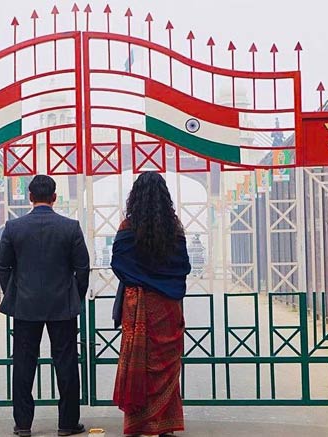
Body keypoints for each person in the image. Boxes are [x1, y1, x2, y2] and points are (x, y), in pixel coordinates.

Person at [0, 175, 90, 437]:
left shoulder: (13, 228)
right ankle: (67, 423)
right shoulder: (70, 227)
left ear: (30, 197)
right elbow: (82, 268)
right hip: (62, 306)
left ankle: (23, 424)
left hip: (25, 307)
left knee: (23, 364)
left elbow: (2, 266)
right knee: (66, 363)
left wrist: (15, 293)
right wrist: (75, 296)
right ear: (54, 197)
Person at [110, 171, 191, 437]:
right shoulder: (174, 228)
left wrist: (140, 280)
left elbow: (119, 264)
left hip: (139, 305)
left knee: (140, 363)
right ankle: (165, 425)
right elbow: (183, 266)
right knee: (166, 364)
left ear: (135, 196)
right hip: (167, 305)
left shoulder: (127, 227)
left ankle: (138, 424)